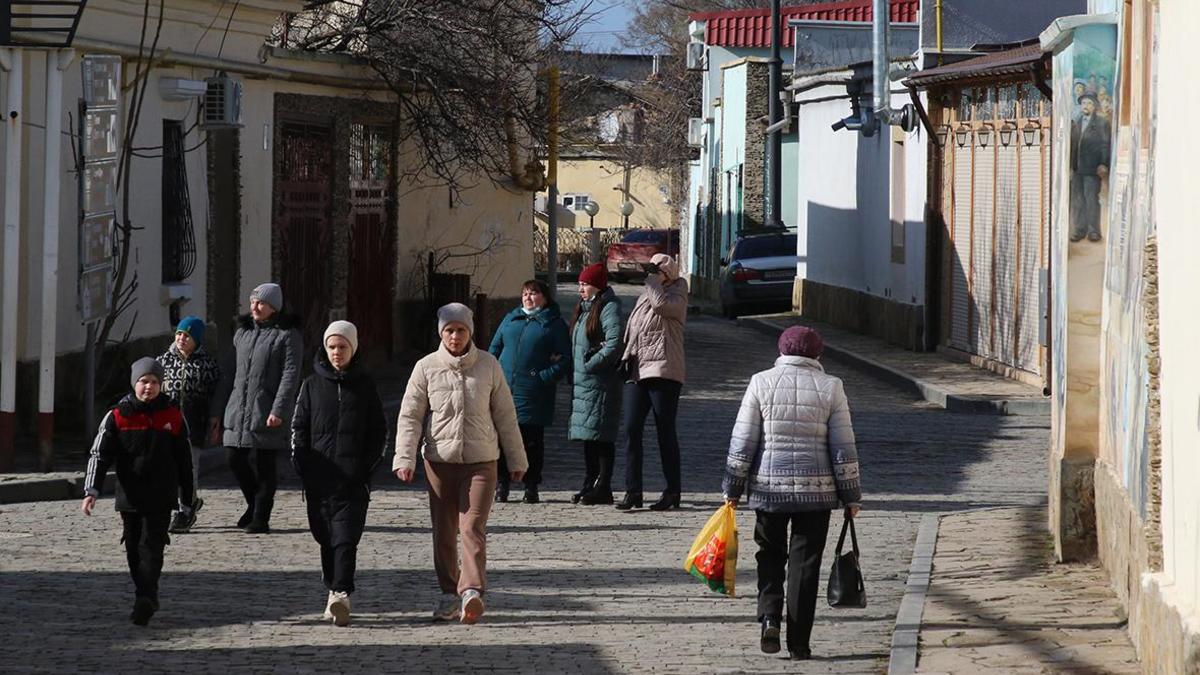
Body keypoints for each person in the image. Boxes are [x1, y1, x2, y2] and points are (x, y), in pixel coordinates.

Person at [722, 325, 862, 661]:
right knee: (806, 564)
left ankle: (770, 615)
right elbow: (843, 446)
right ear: (818, 354)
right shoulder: (831, 387)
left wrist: (733, 487)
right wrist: (851, 495)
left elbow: (743, 441)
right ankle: (799, 642)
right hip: (817, 494)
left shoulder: (761, 382)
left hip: (769, 489)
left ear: (782, 351)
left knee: (769, 554)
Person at [393, 302, 528, 625]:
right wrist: (404, 457)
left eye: (461, 330)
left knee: (472, 527)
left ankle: (471, 591)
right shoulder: (426, 367)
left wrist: (516, 458)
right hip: (439, 461)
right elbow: (410, 415)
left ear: (470, 332)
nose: (455, 336)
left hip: (482, 461)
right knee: (444, 530)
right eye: (449, 330)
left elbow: (506, 416)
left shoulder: (488, 365)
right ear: (441, 333)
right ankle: (448, 594)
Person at [80, 357, 196, 626]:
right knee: (133, 547)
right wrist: (92, 490)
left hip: (161, 495)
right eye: (144, 381)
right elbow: (100, 454)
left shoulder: (173, 415)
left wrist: (186, 498)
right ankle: (144, 593)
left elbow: (185, 461)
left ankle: (146, 595)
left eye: (155, 382)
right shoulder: (119, 415)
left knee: (152, 547)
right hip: (129, 495)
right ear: (135, 383)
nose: (149, 387)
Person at [291, 320, 386, 627]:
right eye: (332, 347)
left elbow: (379, 432)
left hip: (353, 481)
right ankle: (332, 588)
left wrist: (365, 468)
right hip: (319, 479)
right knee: (326, 537)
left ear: (353, 348)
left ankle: (341, 592)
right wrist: (303, 465)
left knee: (346, 539)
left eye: (343, 347)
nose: (337, 352)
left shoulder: (365, 387)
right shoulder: (311, 385)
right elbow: (299, 429)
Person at [221, 282, 303, 533]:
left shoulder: (287, 335)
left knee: (266, 464)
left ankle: (261, 517)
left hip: (267, 408)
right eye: (253, 301)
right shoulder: (242, 332)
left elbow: (290, 375)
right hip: (239, 408)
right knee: (234, 457)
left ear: (274, 307)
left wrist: (278, 409)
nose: (255, 307)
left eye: (262, 303)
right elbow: (232, 371)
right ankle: (254, 503)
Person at [488, 279, 572, 504]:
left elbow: (565, 358)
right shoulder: (511, 319)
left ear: (544, 298)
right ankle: (502, 484)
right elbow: (494, 349)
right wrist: (490, 376)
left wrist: (544, 376)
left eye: (533, 293)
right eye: (525, 293)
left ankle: (531, 485)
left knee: (531, 441)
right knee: (501, 439)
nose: (528, 297)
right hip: (505, 389)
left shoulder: (553, 324)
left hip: (534, 393)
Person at [616, 253, 689, 511]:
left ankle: (672, 491)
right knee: (631, 429)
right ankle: (632, 491)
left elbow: (662, 308)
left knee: (664, 430)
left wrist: (654, 282)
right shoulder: (647, 292)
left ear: (666, 272)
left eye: (655, 270)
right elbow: (633, 329)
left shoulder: (678, 292)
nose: (650, 275)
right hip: (638, 369)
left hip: (664, 369)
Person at [567, 263, 624, 506]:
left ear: (597, 286)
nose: (581, 288)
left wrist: (591, 364)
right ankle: (589, 483)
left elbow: (614, 343)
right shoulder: (584, 308)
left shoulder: (608, 307)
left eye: (585, 284)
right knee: (588, 437)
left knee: (601, 437)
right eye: (579, 284)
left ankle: (603, 486)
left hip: (600, 383)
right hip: (584, 384)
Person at [157, 315, 221, 533]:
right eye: (179, 334)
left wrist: (215, 419)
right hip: (168, 426)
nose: (182, 339)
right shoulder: (163, 361)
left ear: (197, 339)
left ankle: (186, 510)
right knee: (169, 469)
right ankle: (188, 501)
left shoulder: (207, 364)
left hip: (195, 425)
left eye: (187, 336)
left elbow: (216, 395)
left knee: (189, 469)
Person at [1069, 92, 1111, 243]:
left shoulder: (1102, 123)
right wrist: (1070, 165)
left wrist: (1103, 163)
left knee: (1091, 199)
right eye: (1083, 103)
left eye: (1089, 103)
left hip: (1092, 169)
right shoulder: (1076, 123)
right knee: (1077, 200)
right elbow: (1072, 146)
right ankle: (1080, 230)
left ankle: (1094, 231)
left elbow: (1105, 145)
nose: (1085, 106)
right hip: (1077, 168)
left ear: (1094, 106)